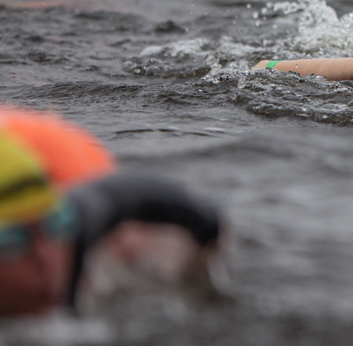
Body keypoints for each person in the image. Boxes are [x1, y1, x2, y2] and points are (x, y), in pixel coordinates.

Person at [0, 130, 223, 317]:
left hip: (58, 150)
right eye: (11, 241)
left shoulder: (78, 229)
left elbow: (201, 218)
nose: (45, 258)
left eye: (57, 224)